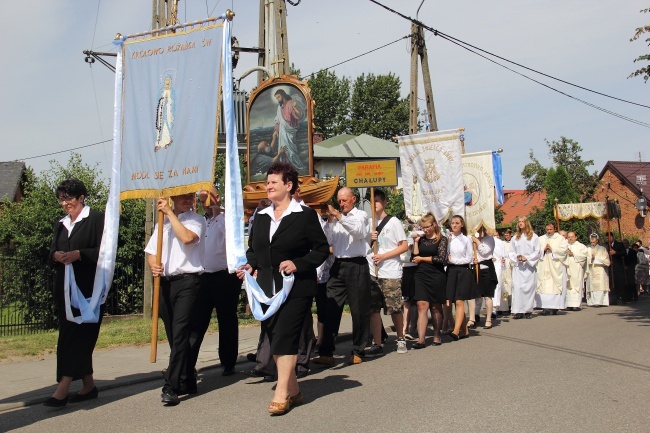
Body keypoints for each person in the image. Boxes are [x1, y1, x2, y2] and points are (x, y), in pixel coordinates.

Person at [237, 162, 328, 415]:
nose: (268, 186)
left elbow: (321, 249)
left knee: (286, 336)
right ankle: (295, 390)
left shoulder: (305, 215)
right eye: (267, 182)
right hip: (268, 287)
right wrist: (249, 265)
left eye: (273, 182)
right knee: (275, 336)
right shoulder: (261, 217)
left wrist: (298, 264)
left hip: (297, 286)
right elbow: (254, 250)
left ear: (288, 186)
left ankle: (281, 393)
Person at [45, 179, 105, 407]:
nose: (64, 204)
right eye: (61, 199)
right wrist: (56, 256)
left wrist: (80, 254)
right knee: (70, 335)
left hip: (89, 289)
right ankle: (88, 385)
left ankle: (63, 387)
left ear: (81, 198)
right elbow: (50, 251)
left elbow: (105, 251)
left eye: (68, 198)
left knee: (78, 336)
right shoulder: (59, 224)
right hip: (65, 289)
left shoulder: (97, 219)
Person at [145, 192, 206, 405]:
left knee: (181, 332)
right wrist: (153, 264)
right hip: (165, 283)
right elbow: (152, 251)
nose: (187, 199)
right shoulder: (162, 222)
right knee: (173, 335)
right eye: (182, 196)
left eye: (190, 196)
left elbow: (187, 238)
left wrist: (170, 213)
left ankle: (170, 386)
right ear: (173, 197)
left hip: (188, 282)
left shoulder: (197, 220)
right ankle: (187, 378)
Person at [313, 187, 371, 366]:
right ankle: (327, 351)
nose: (341, 204)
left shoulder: (361, 215)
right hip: (338, 265)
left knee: (359, 310)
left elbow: (359, 232)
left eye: (344, 200)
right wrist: (329, 221)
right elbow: (328, 240)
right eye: (339, 201)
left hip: (357, 265)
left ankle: (359, 350)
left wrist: (339, 216)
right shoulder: (335, 219)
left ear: (353, 199)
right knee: (331, 307)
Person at [188, 188, 242, 378]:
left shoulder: (228, 219)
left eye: (207, 200)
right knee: (197, 321)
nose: (205, 204)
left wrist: (219, 210)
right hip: (205, 276)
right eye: (202, 201)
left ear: (217, 197)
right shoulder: (203, 221)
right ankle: (188, 363)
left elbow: (234, 241)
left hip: (225, 276)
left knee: (226, 320)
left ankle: (228, 362)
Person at [367, 190, 409, 356]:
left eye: (377, 201)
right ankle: (377, 343)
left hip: (390, 270)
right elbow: (365, 246)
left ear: (384, 202)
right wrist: (370, 239)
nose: (375, 204)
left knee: (394, 308)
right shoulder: (370, 223)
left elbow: (404, 246)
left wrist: (384, 255)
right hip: (373, 271)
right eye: (372, 201)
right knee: (373, 309)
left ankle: (400, 337)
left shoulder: (394, 222)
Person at [411, 212, 448, 348]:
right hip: (421, 275)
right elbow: (414, 257)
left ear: (433, 225)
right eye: (423, 227)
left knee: (435, 306)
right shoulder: (421, 240)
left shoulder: (442, 239)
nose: (426, 229)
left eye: (428, 226)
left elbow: (441, 258)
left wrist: (422, 259)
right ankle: (421, 339)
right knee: (422, 305)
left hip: (437, 275)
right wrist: (415, 243)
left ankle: (437, 334)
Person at [446, 215, 479, 340]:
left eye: (456, 223)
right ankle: (464, 330)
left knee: (460, 301)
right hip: (451, 271)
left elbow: (469, 258)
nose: (454, 225)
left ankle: (455, 330)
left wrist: (454, 260)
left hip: (463, 271)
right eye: (452, 223)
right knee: (454, 301)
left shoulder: (466, 240)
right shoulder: (448, 238)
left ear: (462, 225)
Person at [509, 216, 541, 319]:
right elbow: (511, 251)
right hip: (518, 267)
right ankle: (518, 311)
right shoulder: (515, 237)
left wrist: (527, 258)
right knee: (518, 288)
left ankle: (528, 310)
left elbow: (537, 251)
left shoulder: (534, 237)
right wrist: (517, 257)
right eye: (519, 222)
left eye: (522, 221)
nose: (520, 223)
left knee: (528, 289)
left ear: (526, 223)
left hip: (528, 267)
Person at [270, 89, 306, 173]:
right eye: (276, 98)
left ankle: (297, 167)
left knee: (291, 152)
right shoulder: (279, 108)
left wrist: (294, 106)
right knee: (283, 151)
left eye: (278, 97)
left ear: (282, 95)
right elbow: (277, 121)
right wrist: (276, 130)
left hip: (290, 132)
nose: (278, 99)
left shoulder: (290, 103)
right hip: (282, 132)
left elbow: (299, 115)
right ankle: (284, 169)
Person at [535, 223, 568, 315]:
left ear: (554, 229)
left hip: (555, 265)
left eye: (551, 229)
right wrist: (543, 249)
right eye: (547, 229)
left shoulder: (560, 238)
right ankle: (545, 307)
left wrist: (553, 249)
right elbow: (536, 250)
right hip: (544, 264)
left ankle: (554, 308)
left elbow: (564, 250)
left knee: (554, 286)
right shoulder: (541, 239)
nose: (549, 231)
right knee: (544, 286)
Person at [472, 227, 498, 329]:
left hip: (486, 269)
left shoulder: (489, 239)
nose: (479, 231)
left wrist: (477, 241)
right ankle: (475, 316)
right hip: (476, 268)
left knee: (487, 295)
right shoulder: (473, 239)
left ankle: (488, 319)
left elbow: (484, 251)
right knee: (476, 295)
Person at [565, 232, 588, 311]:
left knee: (576, 285)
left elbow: (584, 256)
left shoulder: (581, 246)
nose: (570, 238)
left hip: (577, 267)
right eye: (569, 237)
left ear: (576, 237)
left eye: (572, 237)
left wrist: (573, 254)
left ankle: (576, 305)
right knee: (568, 284)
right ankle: (568, 304)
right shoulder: (564, 245)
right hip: (567, 268)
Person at [586, 233, 610, 306]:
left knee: (600, 286)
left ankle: (601, 302)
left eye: (594, 242)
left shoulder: (602, 249)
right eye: (591, 242)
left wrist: (595, 258)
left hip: (600, 270)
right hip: (591, 269)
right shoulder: (588, 249)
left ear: (597, 241)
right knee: (592, 286)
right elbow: (585, 259)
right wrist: (591, 259)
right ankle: (593, 302)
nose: (592, 243)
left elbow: (606, 259)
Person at [606, 231, 626, 305]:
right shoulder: (605, 246)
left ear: (613, 237)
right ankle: (612, 299)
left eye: (610, 237)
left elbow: (624, 253)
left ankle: (621, 297)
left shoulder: (619, 244)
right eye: (607, 238)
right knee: (610, 283)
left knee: (619, 282)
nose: (608, 239)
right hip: (609, 267)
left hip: (618, 266)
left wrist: (616, 253)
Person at [498, 229, 514, 315]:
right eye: (505, 235)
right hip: (503, 266)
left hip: (510, 266)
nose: (506, 236)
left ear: (511, 235)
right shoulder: (502, 243)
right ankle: (505, 305)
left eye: (508, 234)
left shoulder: (513, 242)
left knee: (510, 286)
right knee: (504, 288)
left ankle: (511, 304)